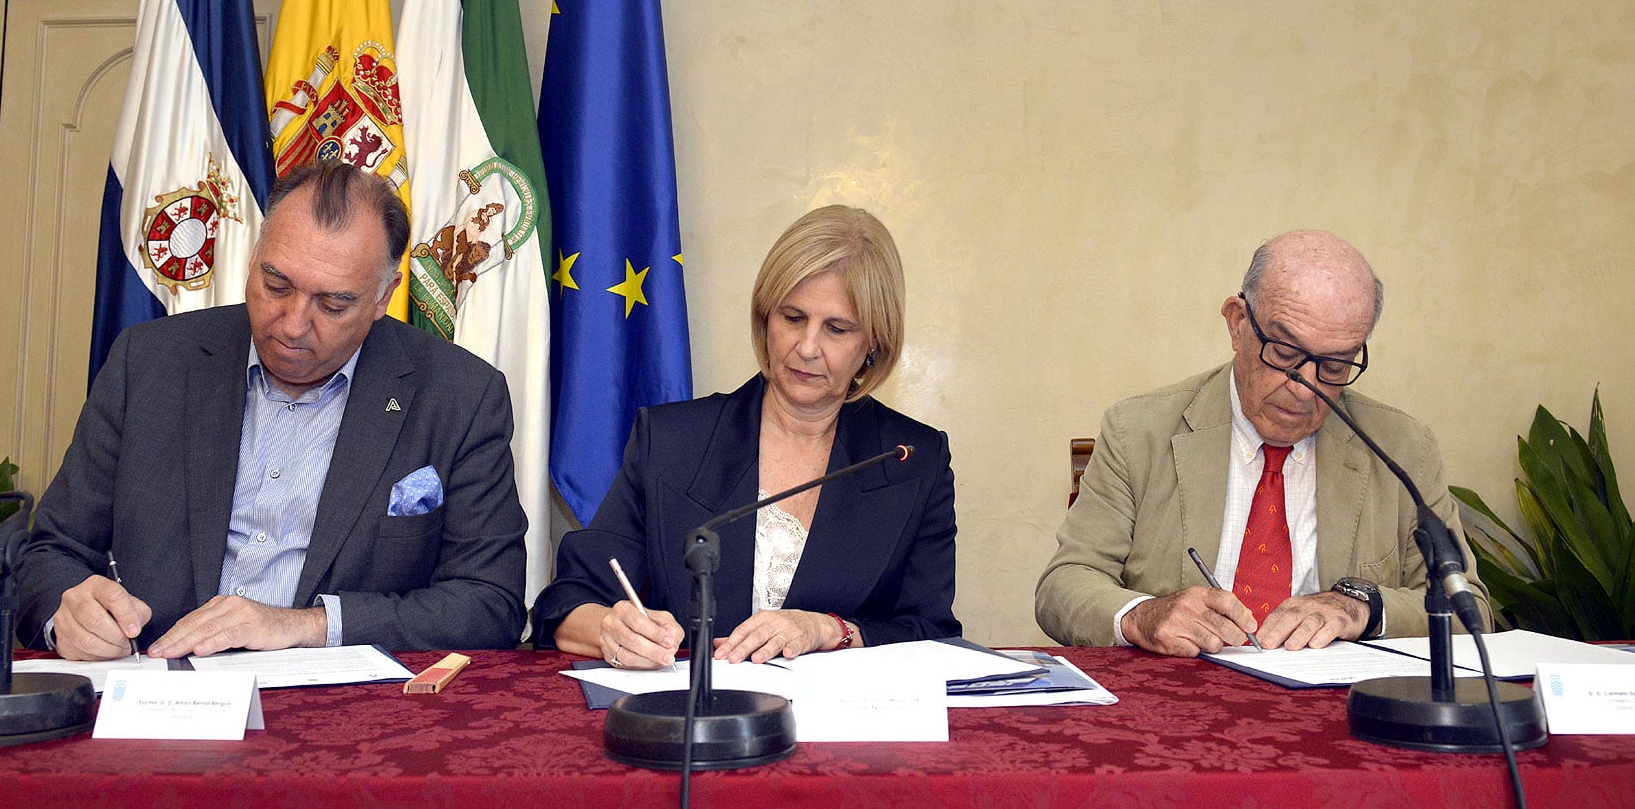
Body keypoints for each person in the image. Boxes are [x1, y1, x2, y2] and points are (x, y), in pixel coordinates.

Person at [17, 162, 529, 659]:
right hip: (156, 687)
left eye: (332, 304)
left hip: (344, 717)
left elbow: (489, 603)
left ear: (382, 298)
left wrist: (308, 626)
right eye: (276, 285)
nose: (291, 323)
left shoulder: (460, 396)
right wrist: (67, 616)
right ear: (254, 256)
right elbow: (50, 554)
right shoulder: (149, 363)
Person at [532, 205, 960, 667]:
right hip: (693, 723)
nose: (807, 348)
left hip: (840, 733)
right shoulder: (672, 442)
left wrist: (830, 629)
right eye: (793, 318)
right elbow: (567, 602)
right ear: (765, 317)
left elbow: (931, 634)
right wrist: (611, 630)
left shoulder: (911, 459)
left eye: (837, 329)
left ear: (874, 342)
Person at [1035, 229, 1489, 656]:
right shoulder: (1139, 431)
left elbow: (1472, 610)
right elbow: (1065, 585)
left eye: (1333, 366)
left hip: (1335, 713)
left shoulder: (1402, 448)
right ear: (1237, 323)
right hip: (1179, 706)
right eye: (1286, 354)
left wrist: (1365, 609)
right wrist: (1142, 615)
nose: (1303, 386)